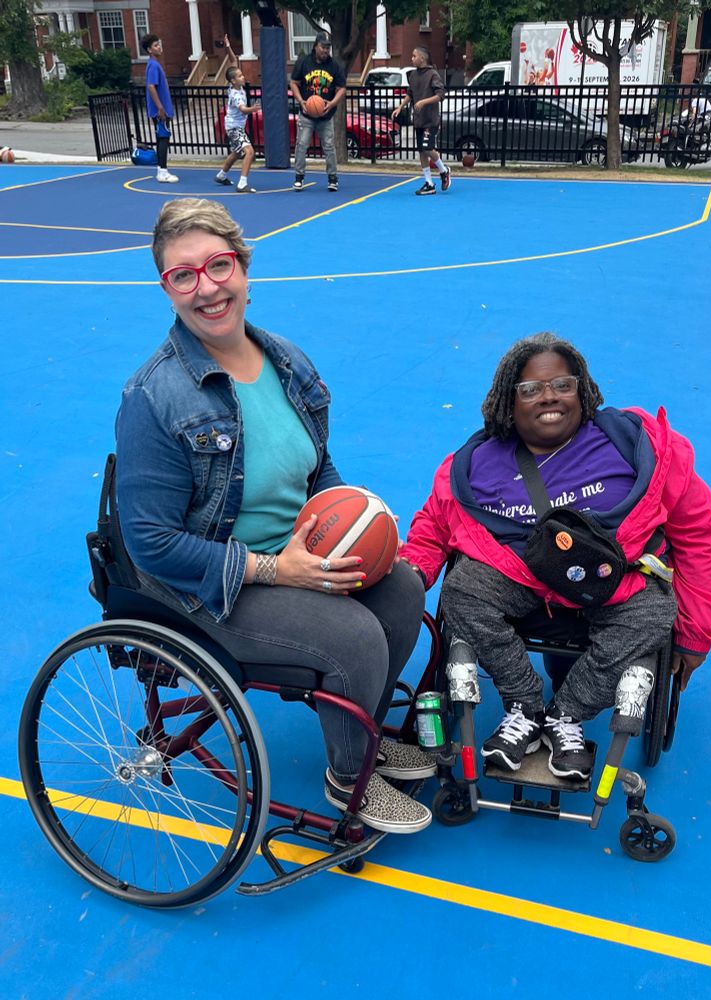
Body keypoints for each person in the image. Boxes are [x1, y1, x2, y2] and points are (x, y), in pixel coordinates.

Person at [115, 198, 434, 834]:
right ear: (166, 288)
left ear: (243, 266)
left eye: (218, 265)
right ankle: (351, 776)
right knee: (354, 635)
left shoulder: (285, 360)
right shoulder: (155, 395)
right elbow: (149, 542)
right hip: (208, 583)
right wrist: (275, 568)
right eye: (184, 275)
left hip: (292, 554)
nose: (207, 288)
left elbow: (317, 469)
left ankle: (361, 727)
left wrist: (358, 523)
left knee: (400, 587)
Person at [401, 333, 711, 779]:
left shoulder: (636, 444)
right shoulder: (476, 463)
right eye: (530, 389)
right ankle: (525, 705)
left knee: (654, 611)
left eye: (563, 385)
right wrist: (405, 579)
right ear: (507, 403)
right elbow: (433, 528)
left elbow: (698, 532)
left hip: (612, 585)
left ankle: (566, 716)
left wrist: (696, 633)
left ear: (583, 390)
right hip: (521, 584)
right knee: (462, 590)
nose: (549, 397)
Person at [290, 31, 346, 192]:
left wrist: (333, 103)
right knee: (301, 144)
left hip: (326, 114)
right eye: (323, 47)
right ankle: (299, 177)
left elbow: (341, 88)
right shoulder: (304, 62)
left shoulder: (334, 65)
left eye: (328, 48)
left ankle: (332, 178)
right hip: (307, 113)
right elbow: (294, 82)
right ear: (315, 46)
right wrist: (301, 101)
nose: (326, 51)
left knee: (329, 146)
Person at [392, 46, 451, 196]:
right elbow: (410, 94)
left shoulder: (433, 74)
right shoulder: (412, 75)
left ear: (422, 58)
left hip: (430, 120)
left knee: (427, 147)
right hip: (418, 120)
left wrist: (424, 102)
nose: (411, 59)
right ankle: (429, 183)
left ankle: (444, 171)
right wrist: (400, 107)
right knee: (421, 151)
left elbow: (441, 95)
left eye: (414, 56)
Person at [214, 35, 261, 193]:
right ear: (234, 80)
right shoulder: (235, 94)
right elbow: (242, 109)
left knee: (236, 152)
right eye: (240, 76)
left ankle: (221, 175)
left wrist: (228, 47)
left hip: (234, 126)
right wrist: (252, 109)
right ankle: (242, 183)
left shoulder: (235, 86)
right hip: (234, 127)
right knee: (249, 151)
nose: (243, 77)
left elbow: (233, 61)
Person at [141, 34, 178, 184]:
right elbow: (151, 86)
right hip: (160, 110)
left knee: (161, 137)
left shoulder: (154, 64)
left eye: (159, 44)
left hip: (162, 108)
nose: (159, 47)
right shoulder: (153, 66)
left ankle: (160, 169)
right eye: (156, 45)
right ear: (149, 50)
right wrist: (160, 108)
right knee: (163, 138)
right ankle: (163, 171)